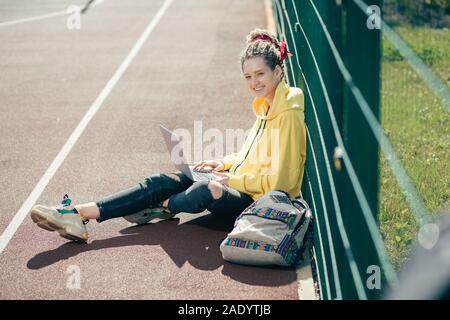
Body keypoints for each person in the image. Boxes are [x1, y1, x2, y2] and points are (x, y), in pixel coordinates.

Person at [30, 28, 307, 243]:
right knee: (164, 179)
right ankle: (78, 213)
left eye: (260, 74)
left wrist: (227, 179)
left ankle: (160, 206)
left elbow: (280, 182)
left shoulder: (288, 114)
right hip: (241, 184)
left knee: (203, 188)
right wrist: (219, 163)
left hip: (257, 202)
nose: (254, 82)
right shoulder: (267, 105)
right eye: (248, 77)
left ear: (278, 71)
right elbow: (252, 156)